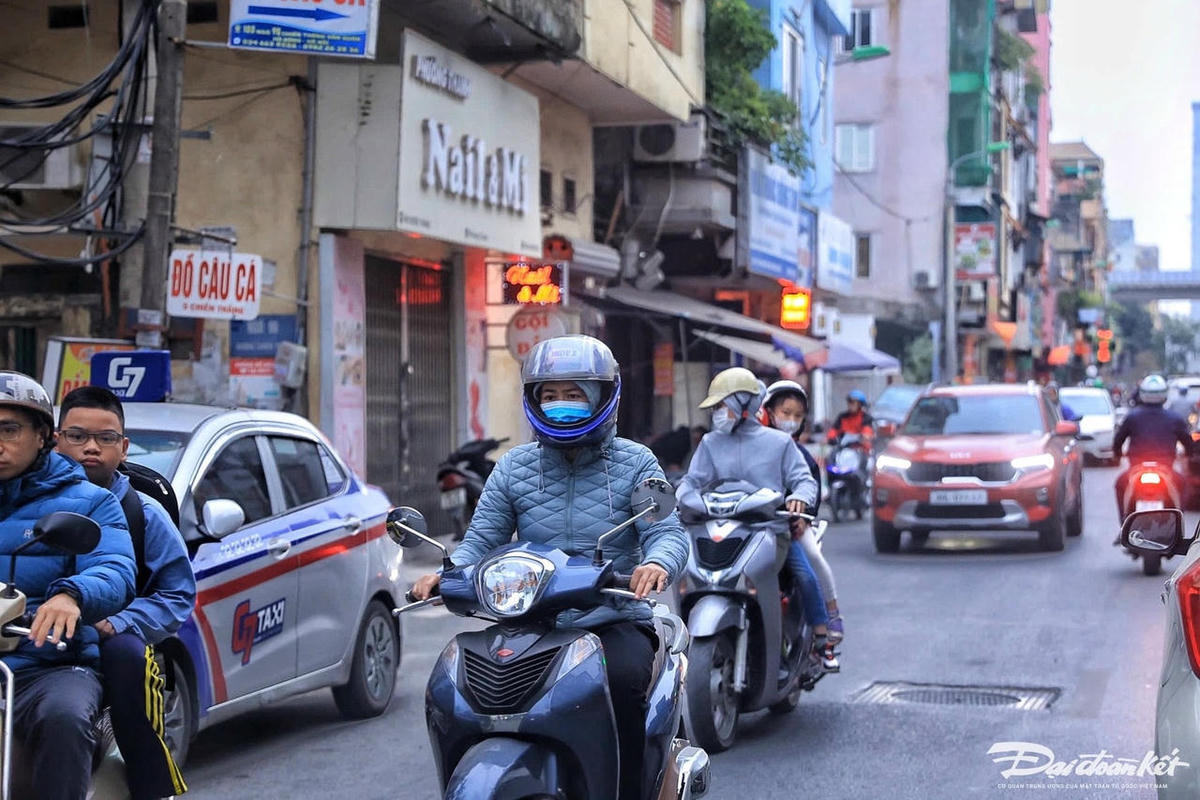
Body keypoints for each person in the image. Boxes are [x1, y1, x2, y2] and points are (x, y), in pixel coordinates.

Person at [410, 335, 688, 800]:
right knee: (458, 687)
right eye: (550, 395)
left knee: (619, 683)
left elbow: (666, 531)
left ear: (603, 396)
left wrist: (656, 563)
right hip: (530, 620)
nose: (560, 404)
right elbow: (481, 539)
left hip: (612, 619)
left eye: (574, 393)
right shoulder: (513, 466)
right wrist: (448, 572)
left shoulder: (637, 462)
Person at [0, 371, 135, 800]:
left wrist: (70, 594)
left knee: (65, 717)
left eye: (9, 430)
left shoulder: (91, 501)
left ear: (44, 437)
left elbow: (114, 567)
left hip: (49, 666)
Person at [56, 386, 194, 800]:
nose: (91, 448)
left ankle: (154, 788)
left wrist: (118, 623)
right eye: (77, 436)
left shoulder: (144, 514)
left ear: (125, 447)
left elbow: (177, 594)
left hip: (114, 645)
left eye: (106, 438)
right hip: (32, 641)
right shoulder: (25, 504)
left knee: (130, 662)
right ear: (55, 439)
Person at [678, 368, 836, 671]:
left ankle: (820, 634)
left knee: (803, 573)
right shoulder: (710, 443)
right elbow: (691, 482)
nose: (716, 413)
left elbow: (804, 480)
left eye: (721, 406)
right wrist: (682, 496)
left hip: (768, 532)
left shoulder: (780, 443)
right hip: (715, 528)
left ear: (742, 405)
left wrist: (798, 496)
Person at [761, 380, 845, 648]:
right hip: (753, 527)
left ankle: (829, 618)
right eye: (786, 413)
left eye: (797, 416)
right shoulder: (753, 447)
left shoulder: (802, 456)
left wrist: (801, 516)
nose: (791, 420)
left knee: (810, 565)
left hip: (789, 528)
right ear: (768, 411)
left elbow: (811, 489)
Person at [1113, 374, 1194, 518]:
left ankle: (1124, 526)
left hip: (1136, 469)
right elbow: (1188, 443)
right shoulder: (1175, 418)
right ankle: (1178, 525)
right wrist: (1188, 453)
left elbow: (1118, 441)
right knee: (1182, 485)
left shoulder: (1132, 417)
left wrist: (1117, 454)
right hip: (1166, 469)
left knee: (1120, 484)